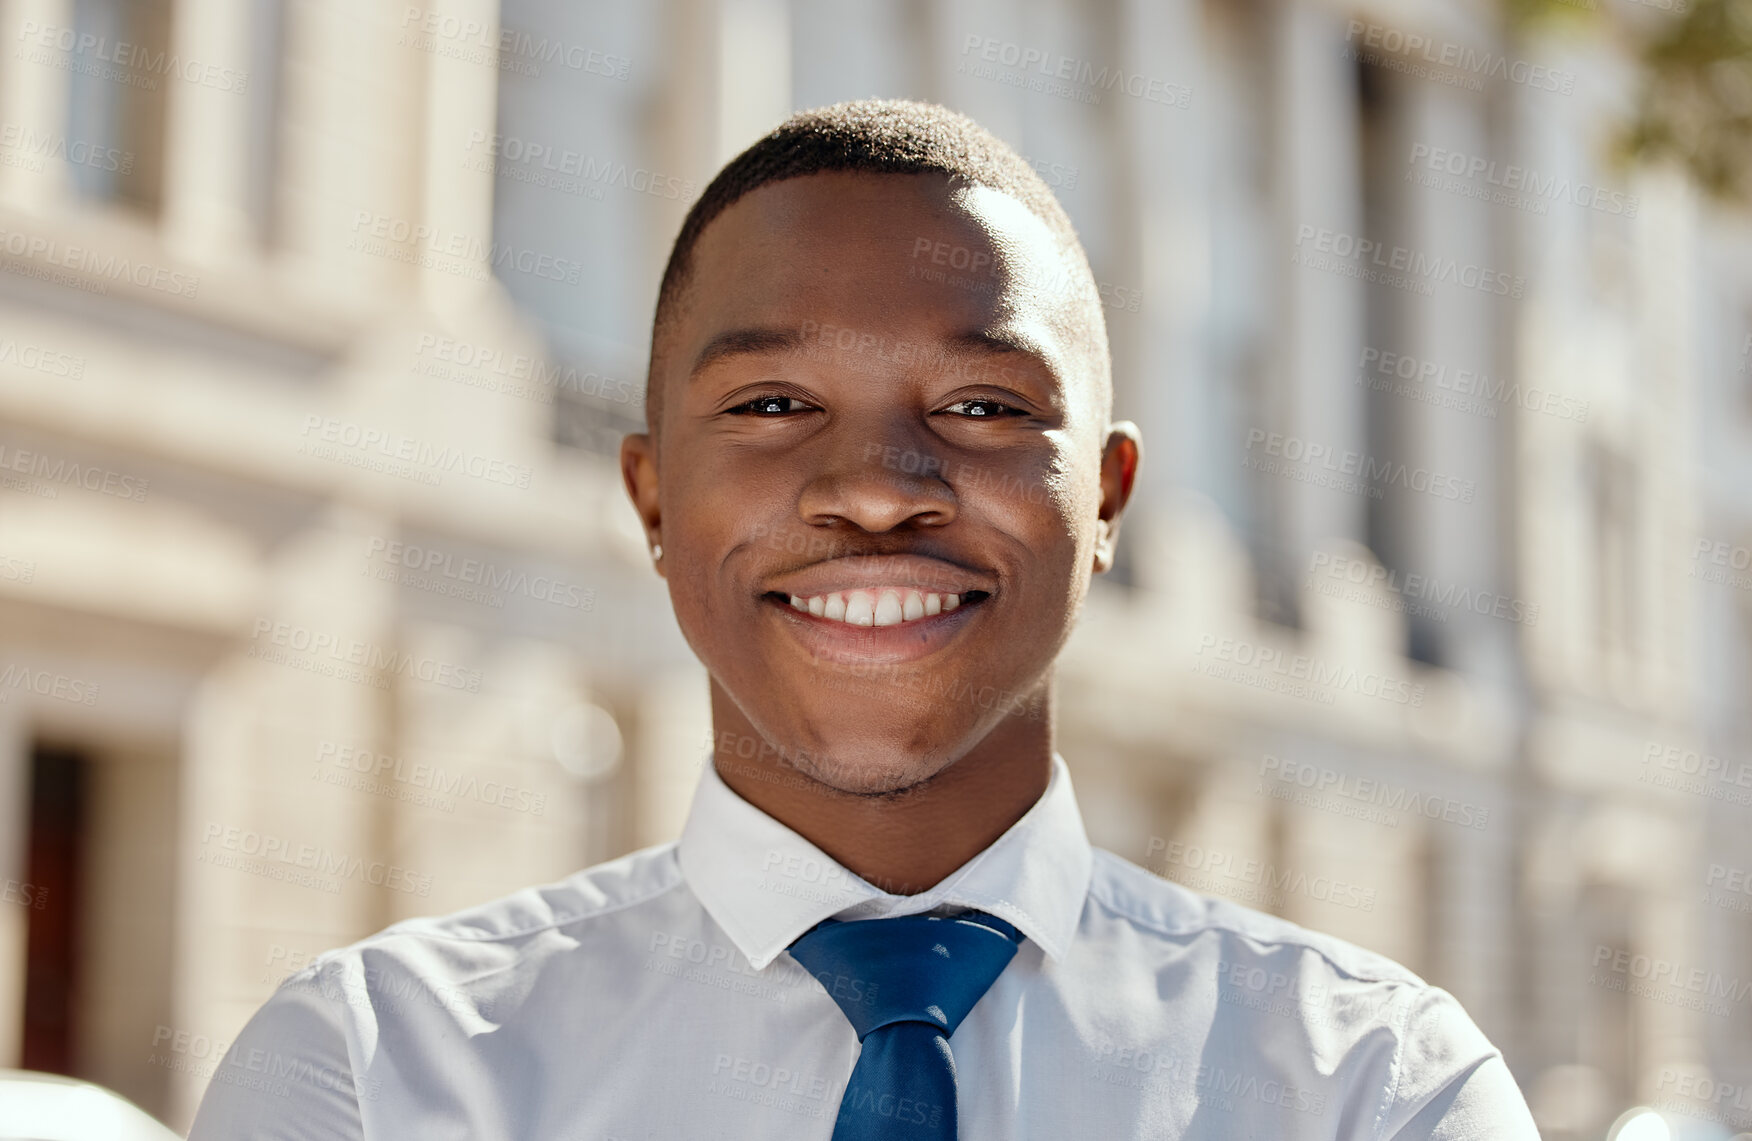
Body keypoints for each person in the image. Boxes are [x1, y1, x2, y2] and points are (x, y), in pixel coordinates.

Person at [190, 98, 1539, 1140]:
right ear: (651, 494)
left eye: (982, 408)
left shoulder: (1377, 1089)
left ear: (1111, 496)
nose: (875, 492)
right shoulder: (371, 1074)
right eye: (773, 405)